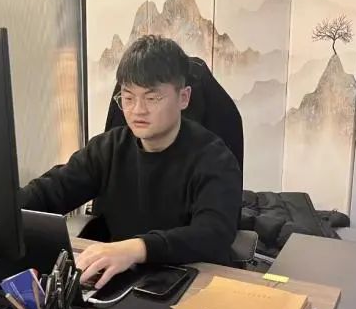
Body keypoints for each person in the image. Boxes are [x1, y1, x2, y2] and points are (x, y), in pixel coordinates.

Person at [20, 35, 242, 289]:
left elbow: (213, 234)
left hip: (192, 282)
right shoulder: (109, 148)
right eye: (128, 97)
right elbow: (50, 192)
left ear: (183, 97)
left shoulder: (214, 158)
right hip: (123, 279)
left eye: (152, 98)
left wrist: (137, 248)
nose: (137, 110)